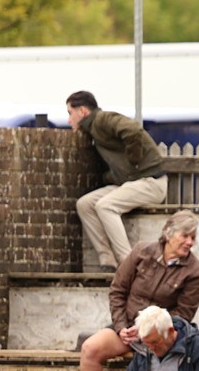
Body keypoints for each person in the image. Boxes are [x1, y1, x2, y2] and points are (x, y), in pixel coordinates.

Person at [79, 211, 199, 371]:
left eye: (193, 238)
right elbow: (118, 290)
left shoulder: (194, 271)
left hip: (160, 335)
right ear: (169, 233)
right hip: (128, 328)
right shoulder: (141, 252)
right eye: (185, 236)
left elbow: (184, 314)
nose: (189, 242)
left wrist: (149, 328)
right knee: (90, 349)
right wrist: (121, 327)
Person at [67, 91, 168, 271]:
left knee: (105, 205)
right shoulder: (93, 130)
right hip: (132, 184)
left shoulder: (103, 119)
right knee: (85, 204)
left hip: (151, 183)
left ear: (82, 111)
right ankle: (107, 261)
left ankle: (129, 262)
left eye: (70, 113)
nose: (68, 120)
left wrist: (134, 161)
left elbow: (132, 130)